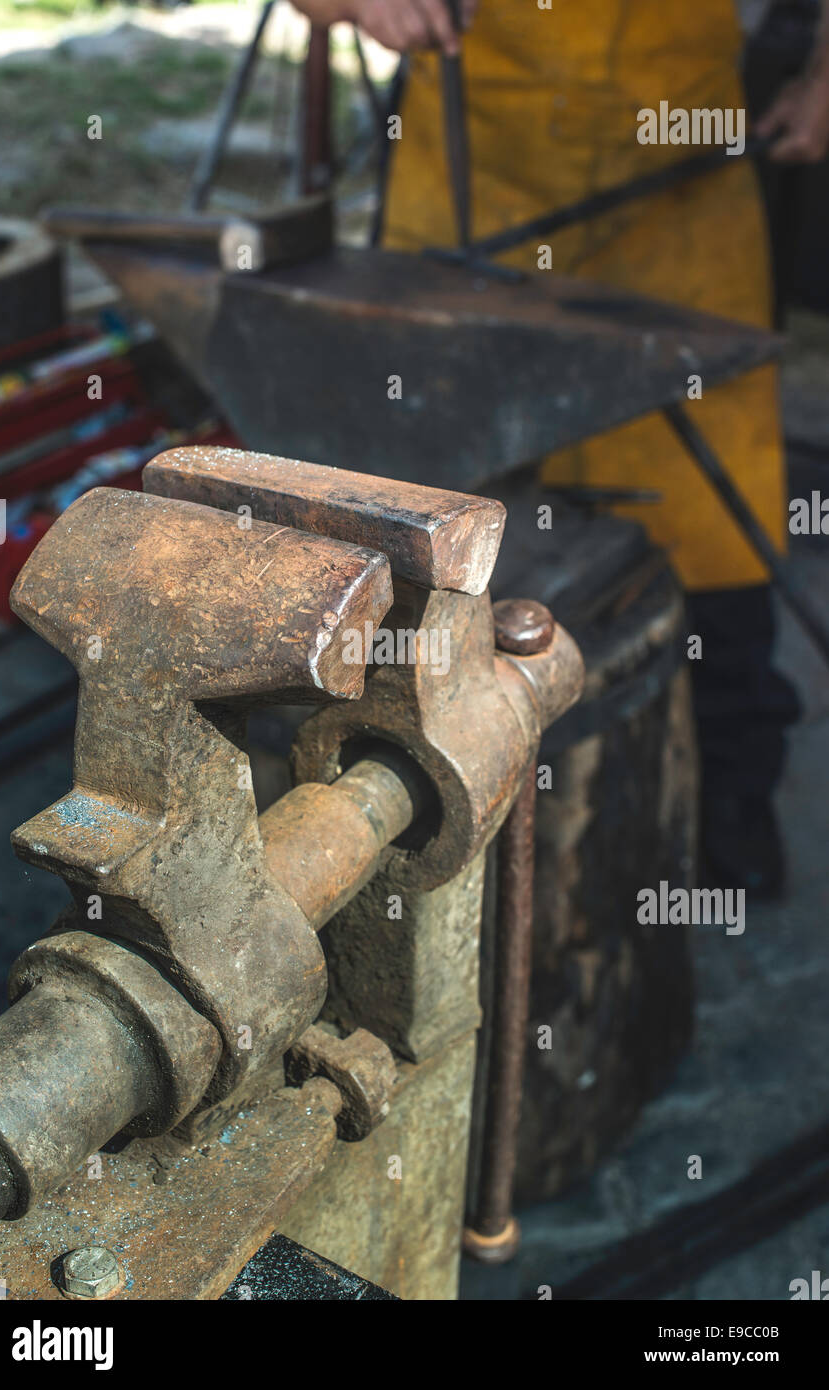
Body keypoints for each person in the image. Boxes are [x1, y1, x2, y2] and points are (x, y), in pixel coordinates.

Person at [292, 0, 829, 897]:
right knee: (426, 537)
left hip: (676, 173)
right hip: (470, 162)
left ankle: (722, 817)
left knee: (712, 536)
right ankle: (418, 825)